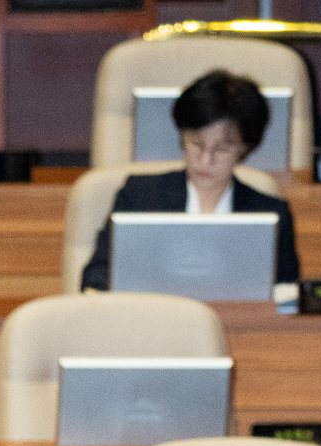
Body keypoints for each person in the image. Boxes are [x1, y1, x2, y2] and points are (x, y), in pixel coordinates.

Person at [81, 69, 300, 291]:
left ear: (246, 148)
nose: (205, 160)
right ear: (182, 136)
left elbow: (285, 293)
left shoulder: (270, 214)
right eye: (196, 144)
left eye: (222, 149)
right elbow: (96, 276)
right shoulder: (139, 196)